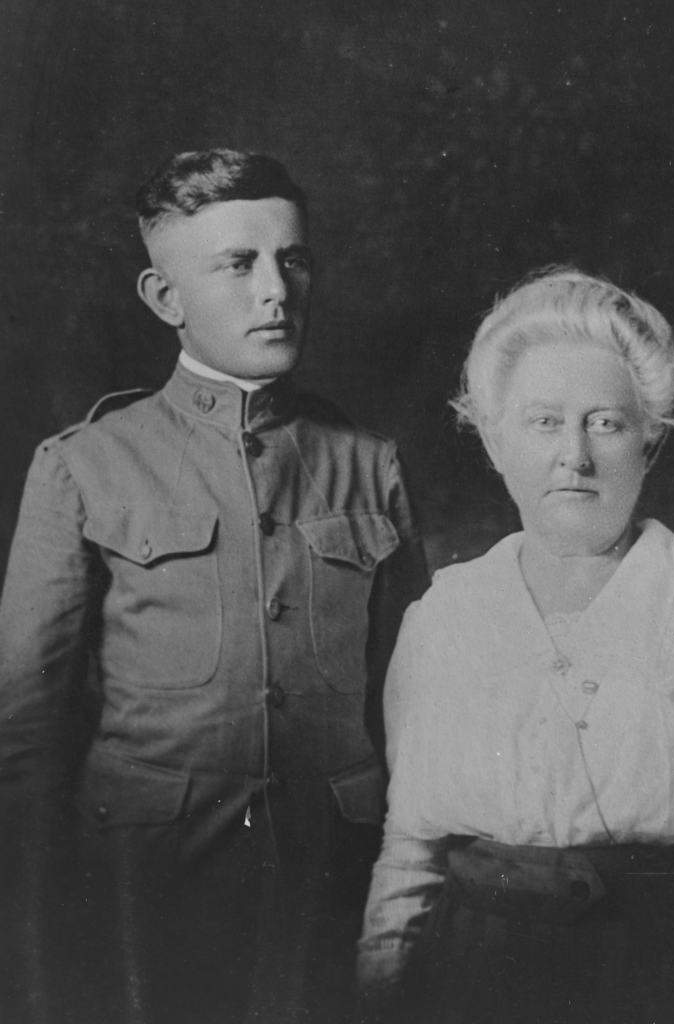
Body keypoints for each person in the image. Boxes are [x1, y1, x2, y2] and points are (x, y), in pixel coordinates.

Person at [0, 149, 428, 1024]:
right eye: (238, 263)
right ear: (165, 298)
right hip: (145, 888)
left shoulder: (368, 466)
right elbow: (26, 733)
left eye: (292, 259)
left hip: (330, 880)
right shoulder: (87, 465)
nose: (276, 290)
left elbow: (419, 706)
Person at [356, 268, 674, 1023]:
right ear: (496, 442)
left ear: (649, 442)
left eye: (605, 422)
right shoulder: (445, 614)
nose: (574, 454)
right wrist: (379, 997)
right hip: (476, 987)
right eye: (543, 422)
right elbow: (410, 848)